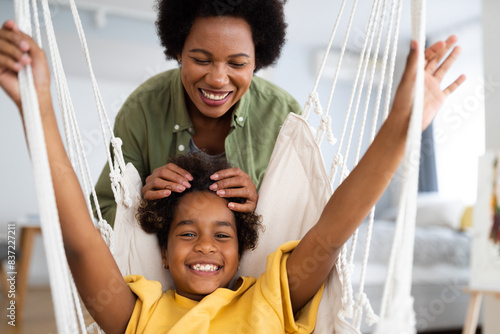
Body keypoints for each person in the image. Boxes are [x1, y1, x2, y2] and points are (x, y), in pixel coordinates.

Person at [0, 16, 465, 334]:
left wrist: (401, 129)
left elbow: (334, 228)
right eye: (187, 233)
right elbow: (83, 238)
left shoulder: (269, 294)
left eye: (222, 234)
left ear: (244, 248)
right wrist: (37, 106)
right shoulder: (142, 312)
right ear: (161, 254)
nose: (205, 245)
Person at [93, 0, 303, 226]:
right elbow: (104, 208)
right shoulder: (142, 109)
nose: (218, 79)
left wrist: (260, 208)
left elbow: (300, 216)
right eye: (201, 60)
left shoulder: (284, 115)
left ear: (257, 61)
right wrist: (144, 205)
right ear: (178, 52)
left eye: (238, 63)